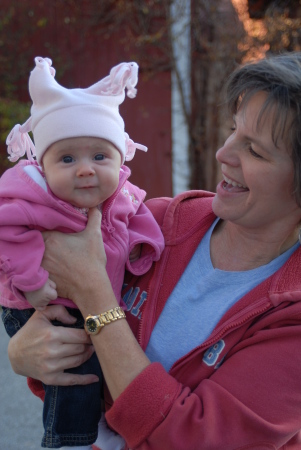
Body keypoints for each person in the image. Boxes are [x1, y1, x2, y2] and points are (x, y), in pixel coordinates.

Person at [6, 51, 301, 449]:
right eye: (234, 130)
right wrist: (28, 352)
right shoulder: (150, 226)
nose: (224, 153)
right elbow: (68, 350)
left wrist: (94, 292)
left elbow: (193, 439)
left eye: (255, 150)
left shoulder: (291, 315)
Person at [0, 57, 164, 450]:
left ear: (121, 160)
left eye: (99, 157)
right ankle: (68, 438)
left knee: (108, 356)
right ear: (43, 164)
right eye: (68, 159)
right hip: (39, 300)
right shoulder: (32, 197)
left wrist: (143, 254)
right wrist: (33, 283)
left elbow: (139, 221)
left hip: (85, 300)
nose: (86, 170)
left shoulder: (121, 194)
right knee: (73, 368)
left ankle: (100, 426)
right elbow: (7, 234)